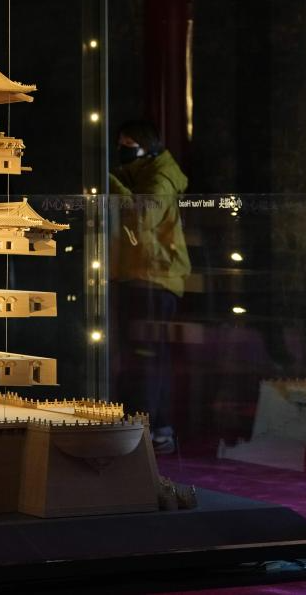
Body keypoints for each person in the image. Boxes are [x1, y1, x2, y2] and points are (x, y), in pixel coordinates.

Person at [109, 120, 191, 454]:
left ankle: (151, 429)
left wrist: (109, 183)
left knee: (146, 359)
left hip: (154, 279)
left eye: (128, 144)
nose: (122, 150)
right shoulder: (141, 175)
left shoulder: (160, 178)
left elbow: (141, 217)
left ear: (147, 147)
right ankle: (150, 428)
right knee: (144, 359)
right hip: (141, 275)